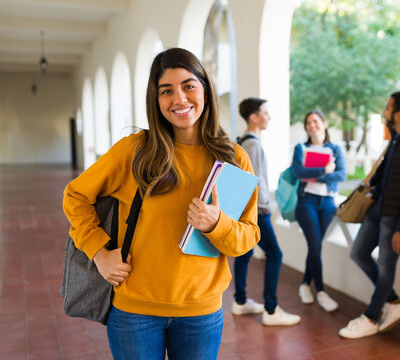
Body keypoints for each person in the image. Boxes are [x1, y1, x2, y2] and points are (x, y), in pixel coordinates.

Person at [63, 48, 260, 360]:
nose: (179, 99)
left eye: (188, 86)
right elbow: (76, 196)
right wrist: (99, 254)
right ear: (155, 100)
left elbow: (246, 238)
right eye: (166, 91)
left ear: (205, 89)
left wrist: (216, 224)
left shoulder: (233, 159)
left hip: (201, 312)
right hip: (134, 312)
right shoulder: (135, 151)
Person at [338, 92, 400, 339]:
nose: (385, 112)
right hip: (377, 208)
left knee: (387, 269)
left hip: (395, 217)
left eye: (388, 108)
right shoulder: (397, 139)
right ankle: (394, 301)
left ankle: (371, 316)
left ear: (398, 113)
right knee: (358, 253)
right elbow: (384, 173)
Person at [232, 97, 301, 326]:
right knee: (275, 254)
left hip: (248, 210)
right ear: (254, 117)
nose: (269, 117)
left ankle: (240, 302)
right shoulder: (252, 143)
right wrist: (264, 208)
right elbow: (252, 180)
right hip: (257, 211)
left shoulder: (244, 140)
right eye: (265, 113)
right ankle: (271, 310)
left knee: (245, 254)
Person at [291, 110, 346, 312]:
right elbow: (298, 172)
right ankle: (321, 292)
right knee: (315, 245)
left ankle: (305, 284)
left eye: (315, 121)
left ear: (324, 123)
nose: (311, 125)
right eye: (308, 122)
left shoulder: (335, 149)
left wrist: (316, 176)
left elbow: (342, 174)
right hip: (307, 202)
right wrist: (323, 171)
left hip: (328, 204)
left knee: (315, 247)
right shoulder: (301, 148)